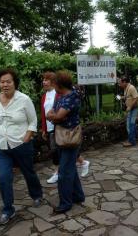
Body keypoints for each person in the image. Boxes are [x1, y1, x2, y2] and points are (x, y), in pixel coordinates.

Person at [0, 68, 43, 225]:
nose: (5, 84)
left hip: (21, 144)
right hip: (2, 147)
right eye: (2, 82)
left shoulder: (24, 99)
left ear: (14, 83)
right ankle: (8, 210)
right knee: (4, 178)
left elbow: (33, 121)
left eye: (8, 81)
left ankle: (37, 194)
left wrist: (27, 137)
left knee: (28, 172)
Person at [46, 71, 85, 214]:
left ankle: (65, 203)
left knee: (63, 173)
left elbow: (58, 116)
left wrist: (52, 116)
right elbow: (53, 113)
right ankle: (78, 196)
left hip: (69, 138)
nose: (51, 84)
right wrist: (53, 115)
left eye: (53, 82)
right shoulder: (62, 96)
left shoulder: (71, 97)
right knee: (70, 170)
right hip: (61, 137)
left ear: (58, 84)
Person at [41, 73, 90, 184]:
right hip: (54, 128)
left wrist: (54, 117)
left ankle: (59, 175)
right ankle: (77, 194)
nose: (44, 82)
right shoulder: (49, 96)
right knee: (61, 156)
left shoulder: (66, 96)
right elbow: (48, 113)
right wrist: (45, 126)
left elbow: (58, 116)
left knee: (65, 165)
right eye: (44, 80)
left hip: (67, 133)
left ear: (58, 84)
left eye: (47, 80)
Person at [119, 77, 138, 147]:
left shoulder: (131, 88)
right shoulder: (126, 88)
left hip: (133, 109)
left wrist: (130, 106)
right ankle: (135, 138)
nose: (119, 84)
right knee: (130, 124)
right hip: (130, 109)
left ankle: (132, 142)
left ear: (124, 82)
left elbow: (136, 98)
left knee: (131, 125)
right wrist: (121, 97)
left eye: (120, 83)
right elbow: (128, 96)